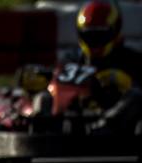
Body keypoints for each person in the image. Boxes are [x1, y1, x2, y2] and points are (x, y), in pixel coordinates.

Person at [18, 0, 142, 133]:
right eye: (89, 35)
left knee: (136, 97)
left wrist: (124, 81)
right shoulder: (72, 58)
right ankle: (44, 129)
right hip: (74, 112)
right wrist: (44, 80)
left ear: (115, 32)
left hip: (116, 121)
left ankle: (102, 128)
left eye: (100, 35)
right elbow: (54, 80)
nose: (94, 41)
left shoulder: (131, 59)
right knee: (43, 97)